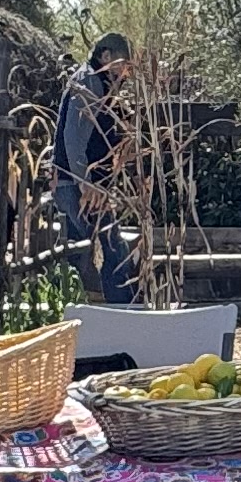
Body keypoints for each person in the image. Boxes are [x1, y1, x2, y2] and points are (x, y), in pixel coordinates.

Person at [54, 33, 140, 303]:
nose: (126, 72)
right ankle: (121, 309)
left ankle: (71, 306)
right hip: (79, 185)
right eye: (123, 64)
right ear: (105, 56)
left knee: (78, 252)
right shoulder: (89, 82)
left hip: (80, 183)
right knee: (112, 248)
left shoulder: (99, 84)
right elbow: (73, 139)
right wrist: (86, 185)